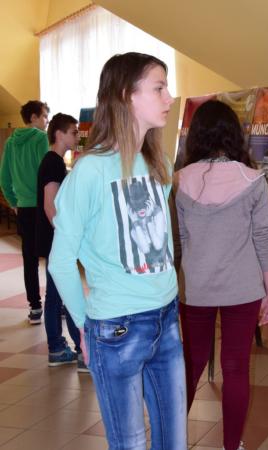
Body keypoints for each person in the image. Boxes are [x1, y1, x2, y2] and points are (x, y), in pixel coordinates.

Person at [48, 52, 186, 450]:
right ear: (127, 95)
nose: (169, 97)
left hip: (166, 317)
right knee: (130, 444)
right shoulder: (90, 171)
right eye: (159, 88)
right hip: (117, 327)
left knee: (174, 442)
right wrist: (84, 327)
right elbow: (60, 261)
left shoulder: (159, 162)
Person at [174, 100, 268, 450]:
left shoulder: (179, 181)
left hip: (194, 288)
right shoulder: (253, 179)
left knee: (191, 364)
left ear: (197, 136)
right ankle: (231, 445)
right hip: (243, 290)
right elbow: (264, 239)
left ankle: (171, 439)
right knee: (235, 368)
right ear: (234, 134)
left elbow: (179, 241)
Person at [36, 113, 87, 371]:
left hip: (55, 240)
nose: (77, 136)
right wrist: (66, 238)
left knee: (58, 296)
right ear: (59, 134)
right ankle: (77, 349)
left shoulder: (54, 162)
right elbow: (50, 206)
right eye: (73, 132)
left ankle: (62, 347)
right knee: (59, 296)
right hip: (55, 240)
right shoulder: (53, 163)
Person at [0, 100, 50, 324]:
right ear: (33, 117)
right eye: (44, 116)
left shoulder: (11, 142)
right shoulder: (41, 138)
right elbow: (45, 173)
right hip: (43, 206)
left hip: (24, 208)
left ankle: (35, 307)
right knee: (52, 256)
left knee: (30, 259)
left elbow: (4, 178)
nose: (46, 121)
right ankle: (55, 303)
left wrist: (14, 202)